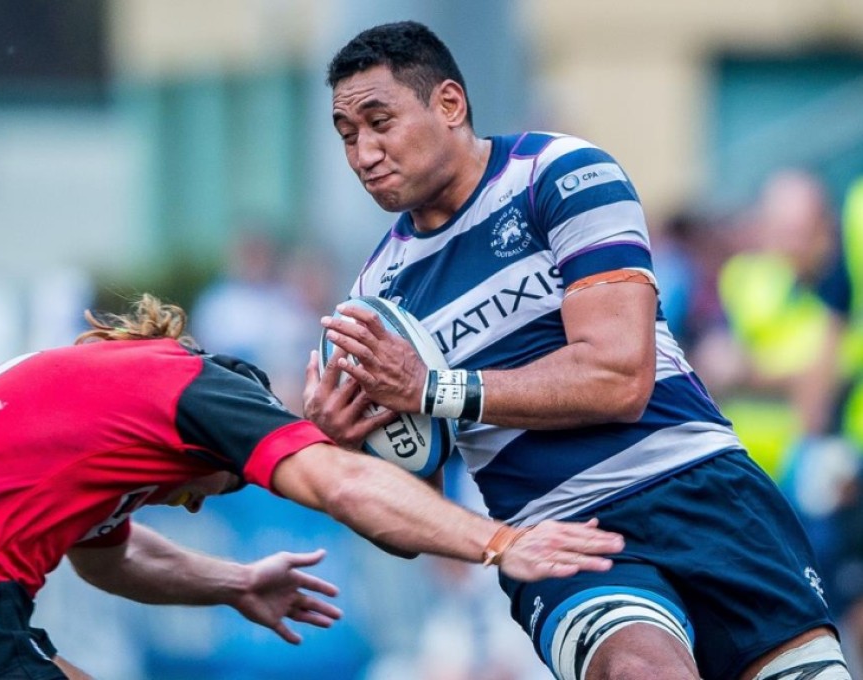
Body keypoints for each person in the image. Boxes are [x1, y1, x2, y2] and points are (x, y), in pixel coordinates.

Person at [304, 20, 851, 680]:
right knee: (642, 671)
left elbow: (619, 378)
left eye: (379, 121)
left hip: (703, 487)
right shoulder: (378, 295)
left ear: (449, 104)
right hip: (562, 534)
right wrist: (350, 445)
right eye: (347, 135)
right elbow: (411, 504)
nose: (364, 152)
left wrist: (432, 387)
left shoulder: (559, 176)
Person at [0, 294, 623, 680]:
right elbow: (343, 483)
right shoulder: (195, 391)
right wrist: (499, 541)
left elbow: (104, 557)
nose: (189, 501)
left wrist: (235, 581)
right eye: (209, 488)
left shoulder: (96, 388)